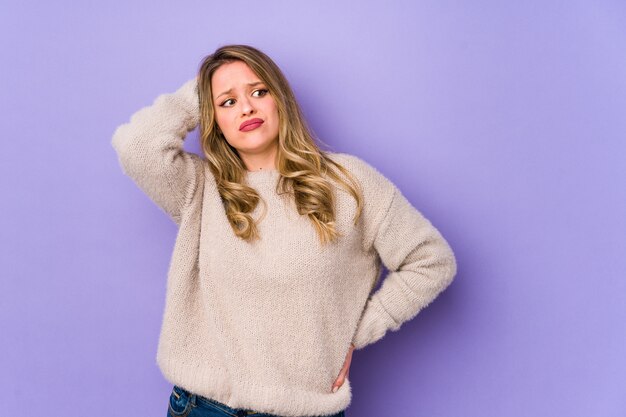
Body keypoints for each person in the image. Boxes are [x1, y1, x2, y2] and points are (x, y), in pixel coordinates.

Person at [111, 44, 458, 417]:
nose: (246, 108)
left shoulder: (348, 181)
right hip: (202, 407)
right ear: (212, 118)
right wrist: (203, 87)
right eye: (227, 103)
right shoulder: (201, 188)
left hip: (302, 411)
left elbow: (432, 260)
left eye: (259, 92)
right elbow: (137, 145)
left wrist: (356, 333)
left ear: (281, 100)